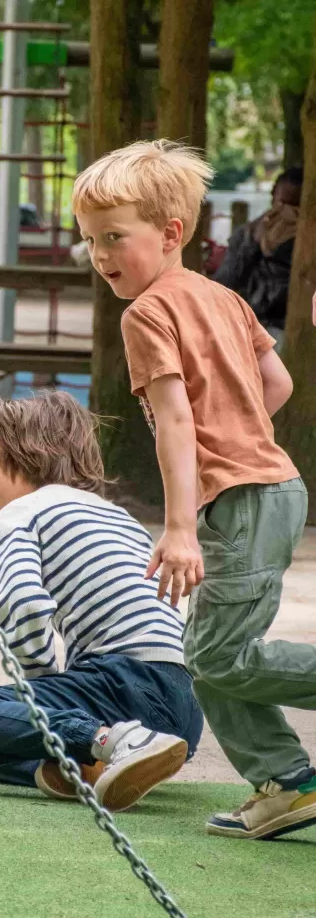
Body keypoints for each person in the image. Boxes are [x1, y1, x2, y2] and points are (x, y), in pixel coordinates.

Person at [72, 139, 316, 840]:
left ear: (171, 232)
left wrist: (179, 526)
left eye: (115, 237)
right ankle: (287, 781)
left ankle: (286, 777)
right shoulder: (224, 298)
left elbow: (175, 421)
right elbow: (279, 386)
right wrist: (237, 436)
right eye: (91, 241)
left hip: (239, 501)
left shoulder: (147, 314)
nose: (101, 255)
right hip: (275, 489)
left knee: (215, 656)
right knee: (213, 655)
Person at [0, 391, 203, 811]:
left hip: (123, 684)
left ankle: (112, 740)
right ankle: (102, 760)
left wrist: (39, 683)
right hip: (186, 708)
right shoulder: (121, 519)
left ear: (30, 454)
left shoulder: (21, 512)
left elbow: (21, 603)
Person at [213, 166, 303, 349]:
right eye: (281, 204)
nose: (286, 213)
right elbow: (226, 282)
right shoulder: (251, 233)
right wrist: (251, 244)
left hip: (298, 331)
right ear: (273, 200)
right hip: (255, 326)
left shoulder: (307, 243)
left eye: (295, 207)